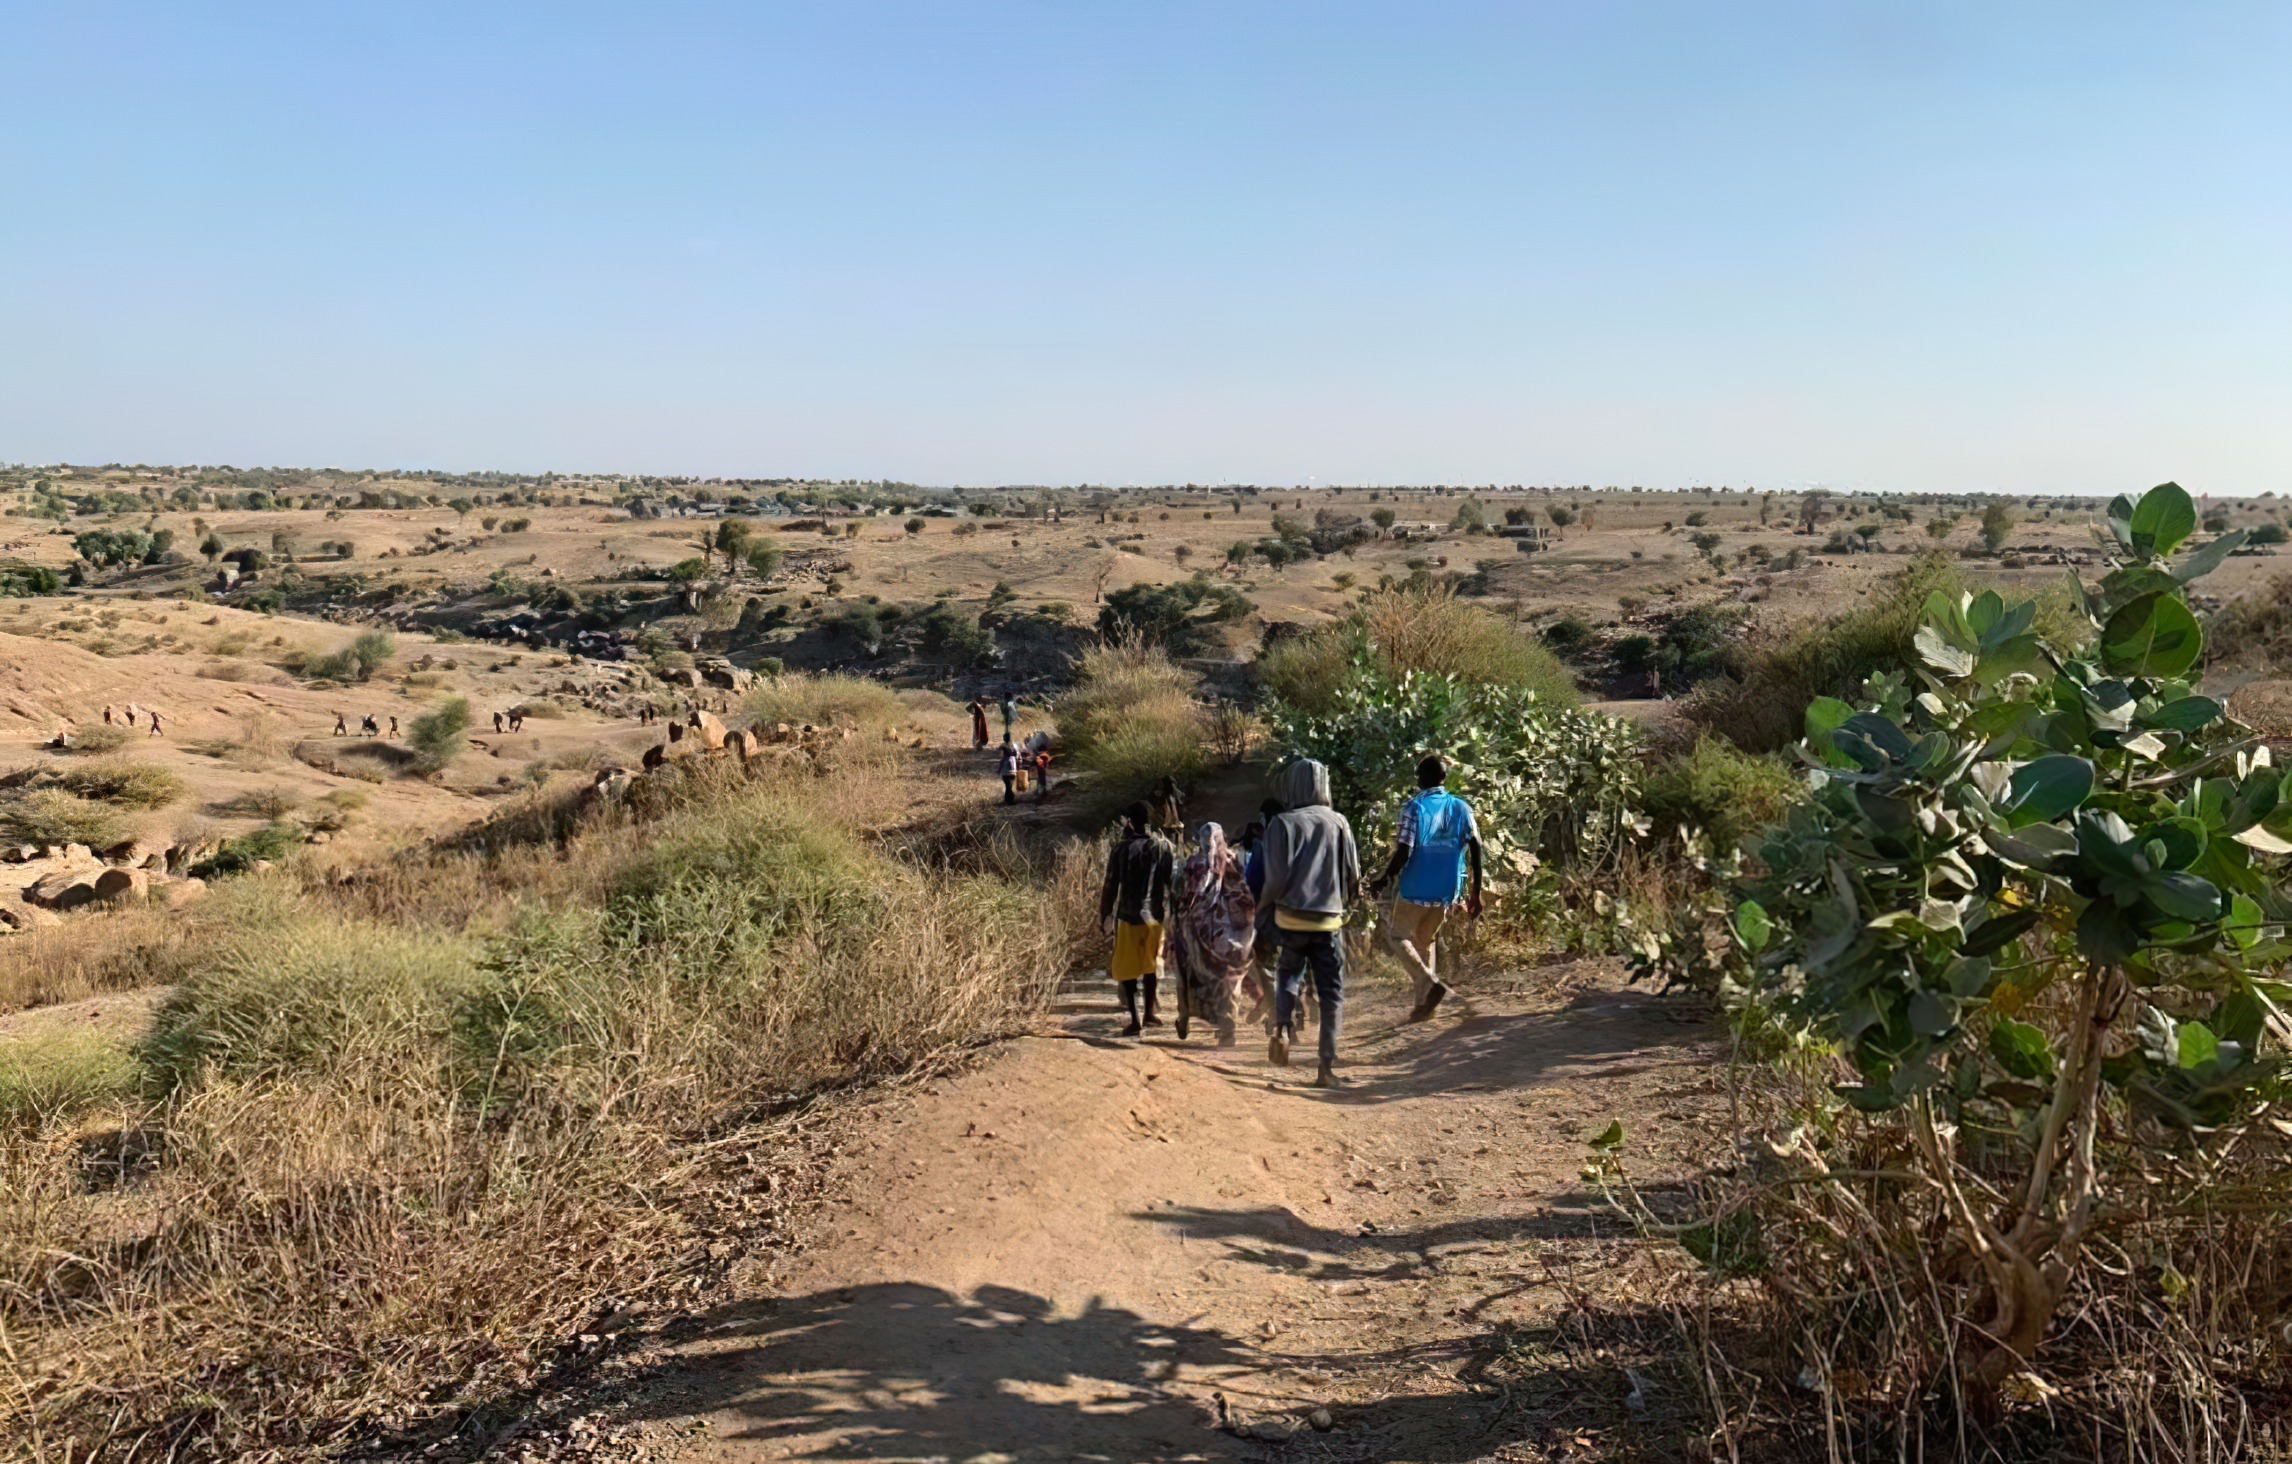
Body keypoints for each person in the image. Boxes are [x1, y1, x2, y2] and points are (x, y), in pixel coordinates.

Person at [1256, 759, 1360, 1087]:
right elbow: (1352, 875)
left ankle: (1282, 1029)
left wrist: (1264, 911)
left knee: (1288, 976)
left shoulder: (1282, 823)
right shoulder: (1339, 822)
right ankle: (1325, 1068)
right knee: (1332, 993)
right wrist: (1347, 904)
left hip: (1290, 917)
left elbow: (1273, 879)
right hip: (1329, 921)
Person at [1368, 754, 1485, 1023]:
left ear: (1420, 779)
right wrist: (1474, 892)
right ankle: (1425, 1007)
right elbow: (1476, 847)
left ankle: (1428, 983)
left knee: (1399, 937)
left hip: (1416, 886)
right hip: (1447, 889)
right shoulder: (1462, 808)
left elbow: (1404, 850)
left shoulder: (1414, 808)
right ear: (1444, 778)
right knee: (1424, 941)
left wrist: (1384, 878)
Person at [1167, 822, 1256, 1046]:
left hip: (1194, 929)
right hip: (1223, 931)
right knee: (1227, 978)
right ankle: (1228, 1029)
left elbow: (1185, 893)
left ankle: (1185, 1016)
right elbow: (1243, 891)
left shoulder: (1193, 863)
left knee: (1187, 971)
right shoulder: (1233, 859)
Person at [1099, 802, 1176, 1037]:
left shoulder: (1121, 849)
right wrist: (1177, 913)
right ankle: (1149, 1013)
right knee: (1151, 966)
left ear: (1130, 821)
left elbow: (1110, 885)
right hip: (1154, 917)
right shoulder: (1163, 847)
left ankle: (1135, 1020)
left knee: (1128, 970)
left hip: (1128, 916)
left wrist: (1104, 915)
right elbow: (1173, 883)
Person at [997, 739, 1021, 805]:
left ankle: (1008, 800)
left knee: (1009, 787)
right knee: (1009, 787)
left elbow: (1017, 764)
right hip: (1008, 775)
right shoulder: (1008, 758)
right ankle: (1009, 800)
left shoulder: (1011, 758)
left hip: (1009, 775)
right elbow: (1001, 765)